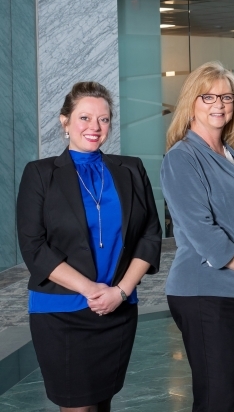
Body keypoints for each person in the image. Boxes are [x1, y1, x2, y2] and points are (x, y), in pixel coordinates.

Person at [16, 81, 162, 411]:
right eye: (84, 118)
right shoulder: (40, 174)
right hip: (60, 312)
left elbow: (150, 235)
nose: (94, 127)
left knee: (102, 402)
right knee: (76, 405)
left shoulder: (131, 169)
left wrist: (120, 292)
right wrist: (91, 290)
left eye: (103, 119)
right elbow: (33, 247)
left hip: (118, 308)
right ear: (65, 121)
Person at [161, 61, 234, 411]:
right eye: (208, 96)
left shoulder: (228, 153)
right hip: (203, 291)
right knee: (216, 398)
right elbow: (203, 233)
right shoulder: (182, 157)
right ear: (191, 103)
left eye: (226, 97)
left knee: (225, 395)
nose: (219, 104)